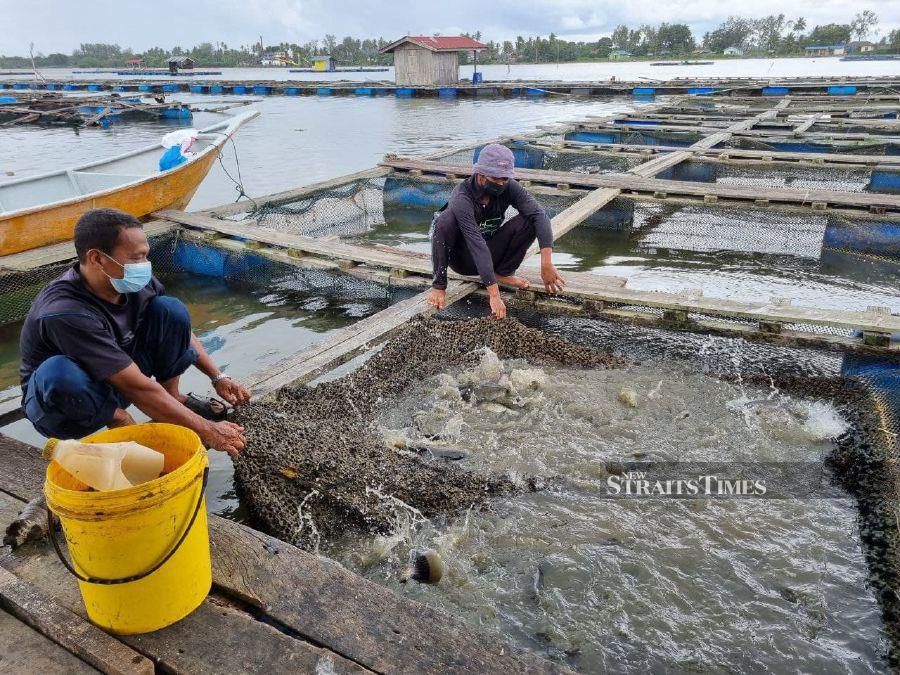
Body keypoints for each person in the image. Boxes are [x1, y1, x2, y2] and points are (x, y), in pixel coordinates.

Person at [18, 208, 250, 456]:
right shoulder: (64, 311)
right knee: (60, 371)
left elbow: (182, 330)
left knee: (171, 309)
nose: (144, 265)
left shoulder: (133, 280)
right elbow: (137, 387)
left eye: (145, 256)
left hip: (116, 376)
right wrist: (210, 431)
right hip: (62, 404)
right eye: (136, 258)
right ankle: (119, 420)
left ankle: (172, 398)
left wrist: (217, 377)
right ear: (97, 258)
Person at [426, 143, 565, 319]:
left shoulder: (509, 186)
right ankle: (438, 286)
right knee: (444, 220)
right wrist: (494, 295)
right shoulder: (462, 197)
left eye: (505, 179)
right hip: (464, 258)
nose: (501, 183)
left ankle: (503, 273)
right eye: (496, 178)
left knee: (531, 219)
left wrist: (546, 263)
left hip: (490, 249)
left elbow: (540, 216)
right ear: (481, 174)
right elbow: (476, 243)